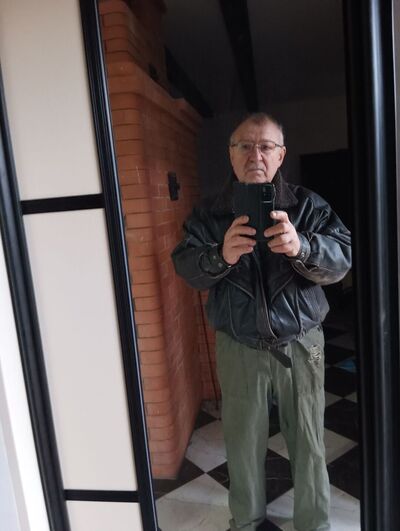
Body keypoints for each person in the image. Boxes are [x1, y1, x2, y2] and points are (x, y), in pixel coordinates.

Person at [171, 113, 351, 531]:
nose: (256, 155)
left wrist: (302, 246)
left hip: (301, 343)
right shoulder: (209, 213)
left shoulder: (307, 206)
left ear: (281, 154)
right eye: (245, 146)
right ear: (231, 154)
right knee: (241, 443)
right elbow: (185, 265)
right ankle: (246, 521)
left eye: (266, 146)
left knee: (308, 441)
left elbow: (342, 259)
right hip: (239, 345)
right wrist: (221, 255)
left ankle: (314, 525)